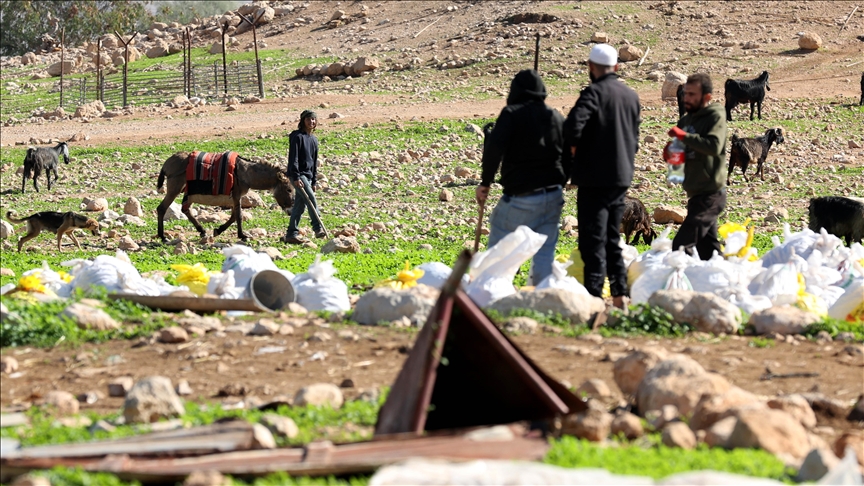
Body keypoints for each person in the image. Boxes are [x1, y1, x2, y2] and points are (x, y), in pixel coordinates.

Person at [565, 43, 641, 308]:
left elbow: (572, 128)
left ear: (590, 67)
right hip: (621, 177)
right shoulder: (631, 96)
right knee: (611, 237)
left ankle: (594, 295)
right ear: (617, 68)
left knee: (591, 238)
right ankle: (620, 294)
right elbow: (635, 140)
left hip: (593, 179)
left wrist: (578, 153)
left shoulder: (593, 94)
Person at [476, 69, 566, 284]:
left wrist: (485, 182)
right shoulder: (554, 116)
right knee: (544, 253)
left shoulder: (511, 114)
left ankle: (492, 290)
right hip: (553, 195)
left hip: (521, 196)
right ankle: (540, 296)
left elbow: (494, 147)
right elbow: (568, 151)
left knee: (500, 237)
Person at [665, 73, 728, 260]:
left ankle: (680, 286)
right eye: (686, 94)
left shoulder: (715, 115)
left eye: (692, 94)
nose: (687, 98)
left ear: (706, 97)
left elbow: (714, 146)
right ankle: (728, 280)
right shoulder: (685, 121)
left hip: (711, 194)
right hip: (694, 194)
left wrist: (683, 137)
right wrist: (670, 153)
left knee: (681, 245)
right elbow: (681, 154)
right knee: (709, 252)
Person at [284, 110, 325, 244]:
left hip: (308, 176)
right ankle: (317, 227)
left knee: (299, 207)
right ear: (302, 121)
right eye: (308, 119)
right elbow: (293, 158)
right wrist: (295, 177)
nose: (311, 122)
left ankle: (291, 234)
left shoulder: (313, 139)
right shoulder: (297, 136)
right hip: (298, 174)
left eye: (313, 119)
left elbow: (314, 162)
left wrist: (313, 180)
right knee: (311, 199)